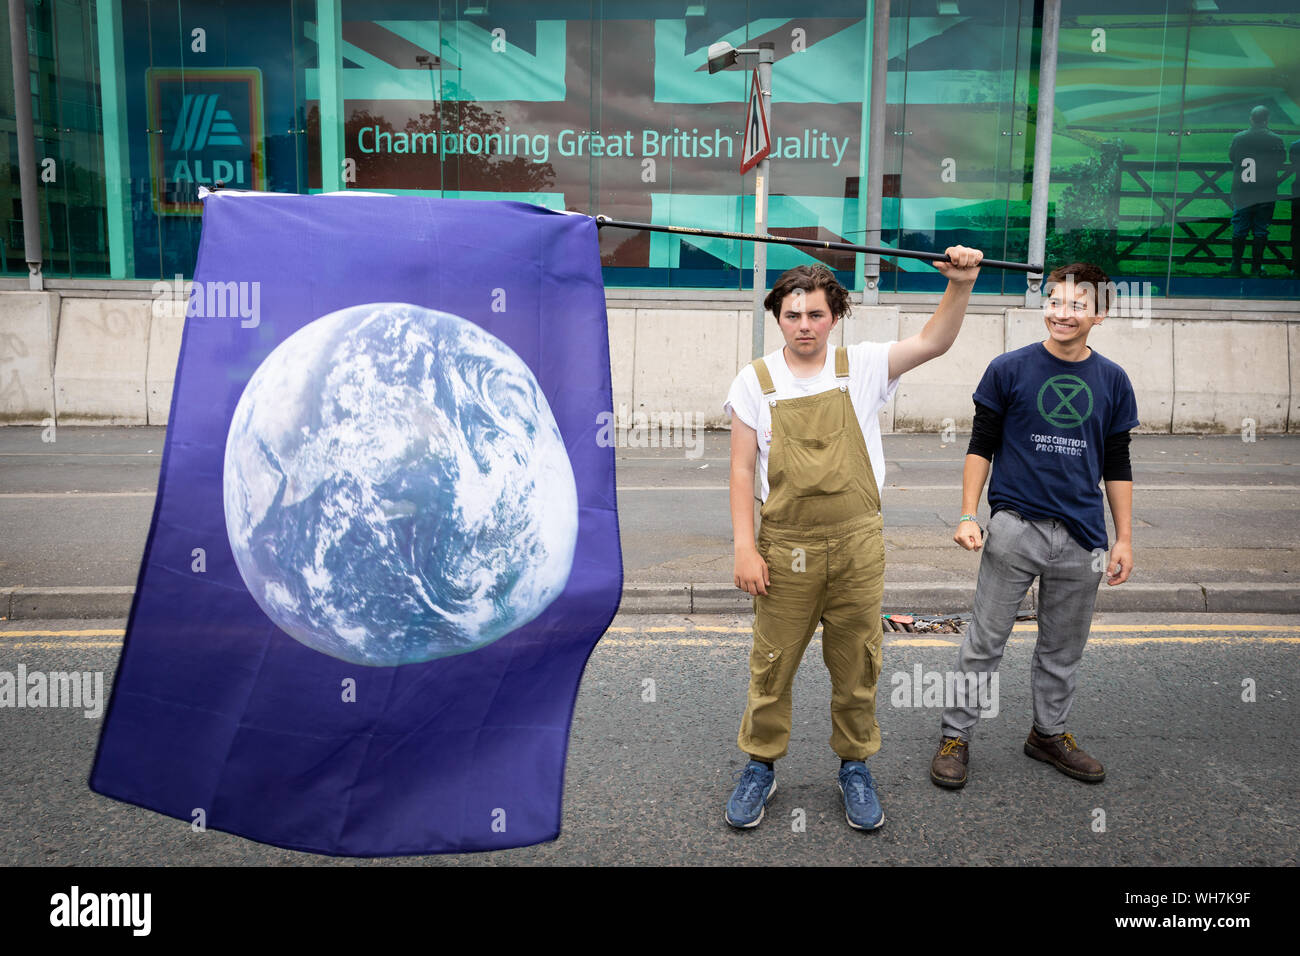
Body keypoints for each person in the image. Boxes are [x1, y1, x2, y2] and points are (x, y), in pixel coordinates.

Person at [723, 248, 984, 831]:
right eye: (793, 315)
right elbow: (742, 470)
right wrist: (745, 547)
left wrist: (960, 285)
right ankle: (760, 765)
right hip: (783, 547)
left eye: (816, 314)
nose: (805, 326)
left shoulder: (861, 366)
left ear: (834, 316)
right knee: (772, 663)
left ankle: (854, 766)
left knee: (858, 663)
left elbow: (933, 341)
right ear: (778, 318)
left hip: (857, 544)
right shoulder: (755, 381)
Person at [929, 261, 1137, 791]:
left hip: (1083, 537)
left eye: (1076, 305)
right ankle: (956, 737)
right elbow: (982, 444)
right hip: (1014, 527)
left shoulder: (1113, 380)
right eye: (1055, 301)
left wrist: (1125, 539)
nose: (1062, 313)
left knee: (1063, 648)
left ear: (1100, 315)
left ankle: (1048, 734)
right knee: (985, 641)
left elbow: (1117, 462)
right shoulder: (1009, 369)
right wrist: (968, 513)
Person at [1227, 106, 1286, 277]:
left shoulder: (1239, 138)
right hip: (1265, 191)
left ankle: (1236, 266)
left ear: (1251, 119)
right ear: (1267, 120)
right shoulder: (1276, 139)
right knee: (1261, 230)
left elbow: (1232, 158)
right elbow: (1281, 162)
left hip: (1243, 191)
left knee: (1239, 229)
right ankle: (1256, 267)